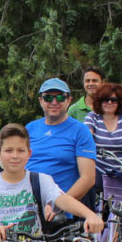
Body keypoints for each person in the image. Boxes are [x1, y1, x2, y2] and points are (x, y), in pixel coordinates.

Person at [26, 77, 97, 211]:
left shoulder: (80, 131)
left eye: (60, 98)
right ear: (40, 100)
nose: (54, 102)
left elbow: (88, 178)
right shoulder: (30, 128)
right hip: (27, 205)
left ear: (69, 100)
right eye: (48, 98)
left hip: (60, 210)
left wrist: (59, 205)